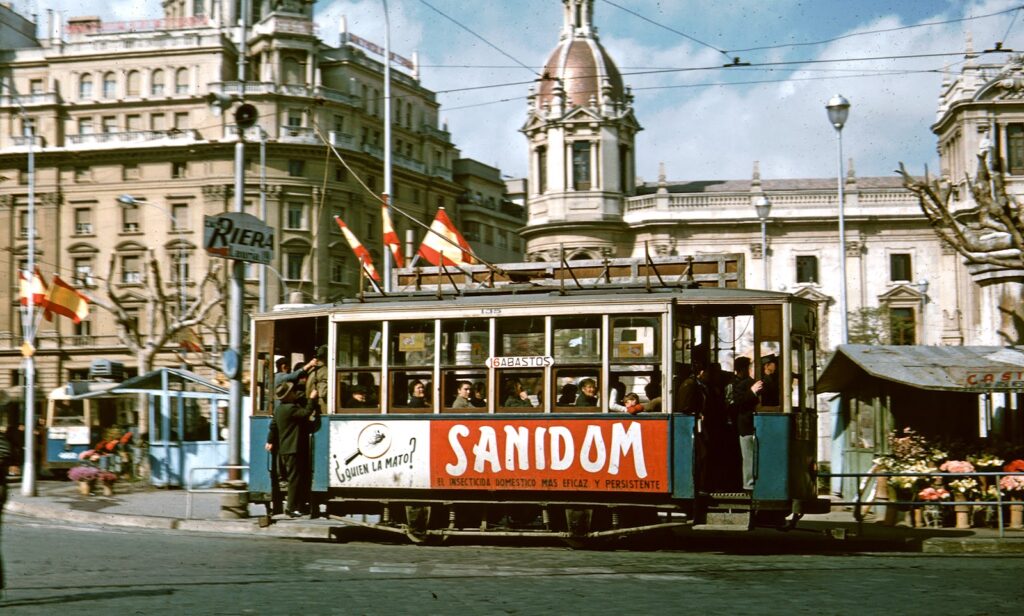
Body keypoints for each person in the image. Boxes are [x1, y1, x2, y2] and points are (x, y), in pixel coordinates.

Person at [265, 382, 318, 517]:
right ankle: (290, 508)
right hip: (293, 449)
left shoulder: (279, 409)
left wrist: (270, 441)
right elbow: (306, 413)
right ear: (288, 395)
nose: (294, 393)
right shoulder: (291, 409)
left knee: (294, 478)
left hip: (285, 449)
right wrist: (312, 399)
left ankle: (298, 505)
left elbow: (273, 427)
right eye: (292, 391)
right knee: (294, 479)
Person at [727, 357, 762, 492]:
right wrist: (752, 391)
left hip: (746, 424)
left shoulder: (745, 382)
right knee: (747, 455)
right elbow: (739, 403)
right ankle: (748, 485)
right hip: (744, 424)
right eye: (748, 367)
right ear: (743, 369)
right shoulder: (739, 384)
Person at [305, 345, 330, 414]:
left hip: (311, 407)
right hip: (321, 410)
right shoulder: (325, 371)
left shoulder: (311, 369)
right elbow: (323, 393)